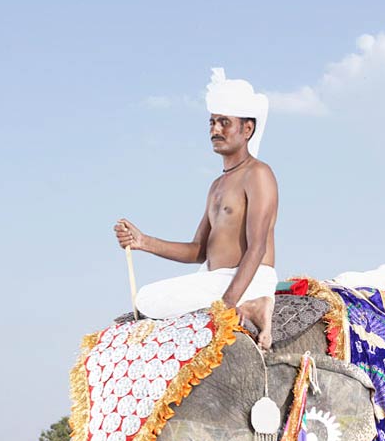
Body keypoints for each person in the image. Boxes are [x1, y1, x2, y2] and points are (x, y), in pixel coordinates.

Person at [115, 69, 278, 348]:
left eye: (225, 123)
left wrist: (228, 303)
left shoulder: (258, 174)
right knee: (146, 299)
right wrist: (144, 242)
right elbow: (198, 251)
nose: (215, 130)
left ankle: (257, 303)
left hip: (249, 279)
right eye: (212, 122)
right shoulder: (217, 185)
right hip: (213, 278)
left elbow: (257, 247)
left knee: (148, 299)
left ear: (247, 129)